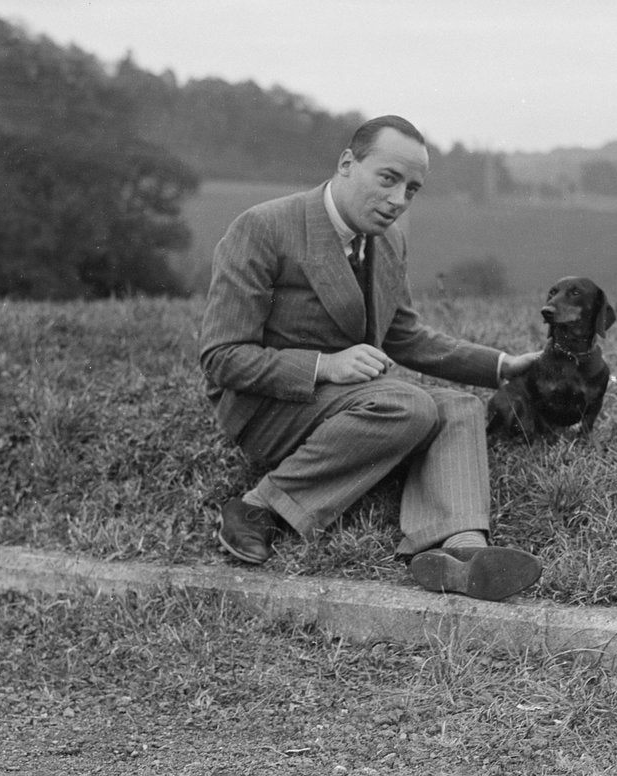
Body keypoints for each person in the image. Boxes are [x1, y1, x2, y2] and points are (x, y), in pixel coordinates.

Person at [199, 115, 542, 601]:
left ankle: (461, 549)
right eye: (388, 178)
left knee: (462, 408)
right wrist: (325, 365)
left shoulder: (389, 240)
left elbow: (403, 334)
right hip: (269, 410)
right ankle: (257, 508)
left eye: (412, 189)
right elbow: (221, 357)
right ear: (346, 164)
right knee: (410, 405)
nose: (398, 200)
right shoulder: (263, 228)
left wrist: (501, 365)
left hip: (348, 405)